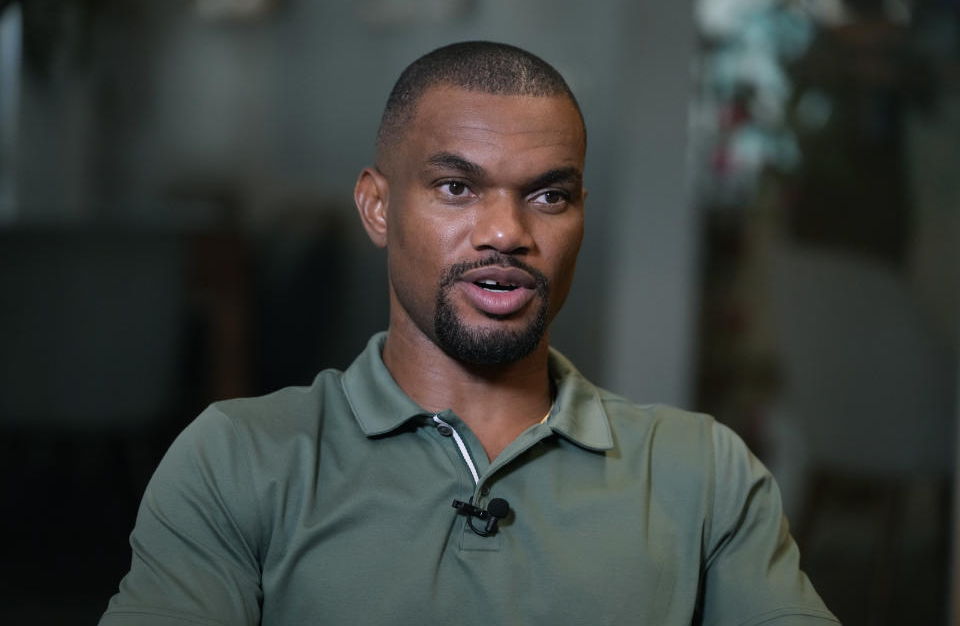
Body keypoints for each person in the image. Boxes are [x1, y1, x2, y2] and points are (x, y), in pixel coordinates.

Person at [100, 41, 838, 625]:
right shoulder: (239, 460)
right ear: (378, 207)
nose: (506, 233)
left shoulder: (702, 473)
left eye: (549, 195)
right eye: (457, 188)